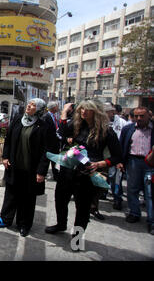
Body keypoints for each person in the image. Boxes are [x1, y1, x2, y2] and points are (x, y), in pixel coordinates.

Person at [45, 100, 123, 249]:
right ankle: (61, 224)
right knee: (60, 199)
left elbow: (118, 156)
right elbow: (61, 133)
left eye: (88, 109)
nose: (83, 112)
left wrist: (99, 164)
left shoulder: (106, 131)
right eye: (81, 109)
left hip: (87, 174)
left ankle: (78, 238)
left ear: (96, 111)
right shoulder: (76, 125)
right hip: (68, 170)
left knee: (83, 209)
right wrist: (63, 114)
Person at [0, 98, 50, 237]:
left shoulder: (43, 126)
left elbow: (46, 151)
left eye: (33, 105)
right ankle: (5, 219)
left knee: (28, 198)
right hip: (14, 166)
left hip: (31, 170)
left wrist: (41, 171)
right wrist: (5, 157)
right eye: (29, 104)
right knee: (11, 194)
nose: (29, 106)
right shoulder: (18, 120)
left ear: (40, 110)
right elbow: (8, 140)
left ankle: (24, 224)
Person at [119, 106, 154, 235]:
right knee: (132, 189)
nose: (139, 119)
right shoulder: (128, 129)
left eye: (142, 116)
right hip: (133, 162)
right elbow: (122, 146)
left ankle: (152, 220)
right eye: (136, 116)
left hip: (150, 164)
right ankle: (134, 213)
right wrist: (121, 162)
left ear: (149, 116)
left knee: (150, 192)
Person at [103, 102, 129, 210]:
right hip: (103, 154)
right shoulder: (101, 122)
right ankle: (103, 193)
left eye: (106, 111)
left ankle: (117, 198)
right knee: (104, 176)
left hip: (115, 155)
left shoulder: (122, 123)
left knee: (115, 178)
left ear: (112, 112)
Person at [42, 101, 61, 181]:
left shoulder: (54, 116)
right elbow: (46, 131)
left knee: (54, 161)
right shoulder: (46, 117)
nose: (58, 108)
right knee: (46, 160)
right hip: (49, 144)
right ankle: (43, 174)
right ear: (53, 107)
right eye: (57, 106)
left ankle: (56, 176)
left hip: (55, 144)